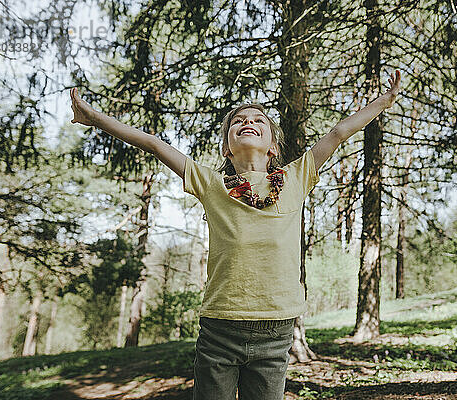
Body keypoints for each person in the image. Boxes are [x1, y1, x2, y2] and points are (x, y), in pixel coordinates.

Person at [69, 69, 401, 400]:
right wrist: (94, 117)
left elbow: (339, 132)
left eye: (258, 120)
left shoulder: (296, 176)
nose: (247, 122)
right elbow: (155, 144)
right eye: (237, 121)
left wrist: (383, 102)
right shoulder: (211, 184)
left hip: (276, 327)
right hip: (220, 328)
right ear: (228, 149)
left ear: (272, 146)